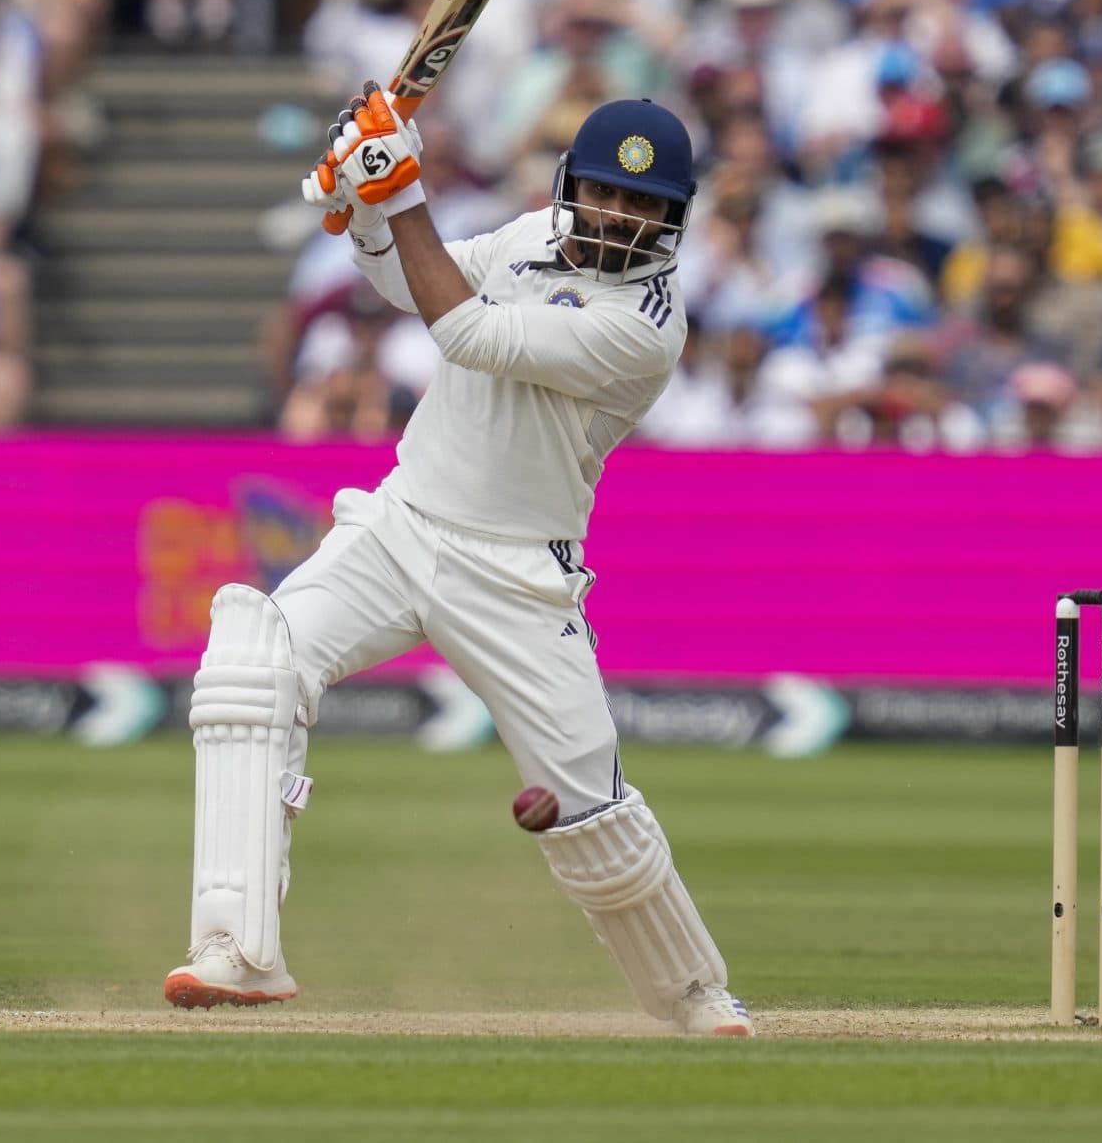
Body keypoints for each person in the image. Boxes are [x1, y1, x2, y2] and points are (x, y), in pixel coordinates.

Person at [163, 87, 751, 1038]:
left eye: (648, 206)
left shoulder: (647, 324)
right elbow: (408, 281)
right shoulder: (525, 237)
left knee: (590, 814)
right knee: (252, 661)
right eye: (609, 194)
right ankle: (238, 950)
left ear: (675, 219)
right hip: (401, 524)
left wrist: (400, 196)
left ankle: (695, 997)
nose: (625, 217)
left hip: (520, 575)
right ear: (574, 189)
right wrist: (361, 214)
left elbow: (464, 330)